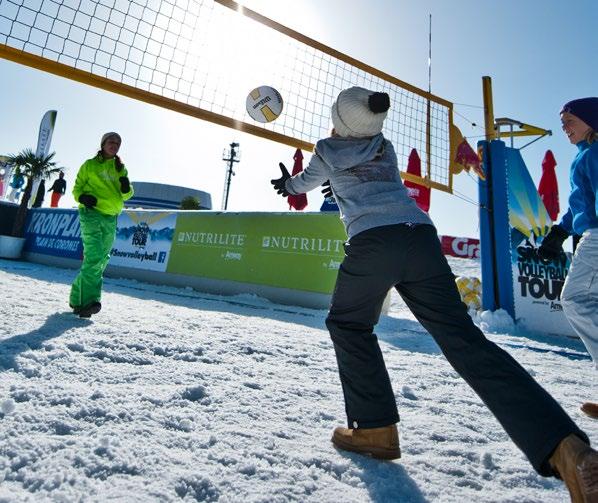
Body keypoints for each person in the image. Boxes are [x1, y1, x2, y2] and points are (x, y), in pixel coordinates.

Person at [271, 86, 598, 501]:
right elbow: (362, 173)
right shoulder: (383, 147)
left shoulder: (326, 150)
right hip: (420, 237)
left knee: (348, 323)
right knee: (465, 341)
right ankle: (569, 450)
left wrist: (288, 183)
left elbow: (304, 182)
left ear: (337, 118)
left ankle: (374, 428)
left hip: (374, 241)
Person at [538, 97, 598, 421]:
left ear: (591, 121)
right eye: (562, 124)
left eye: (570, 122)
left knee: (575, 300)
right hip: (589, 232)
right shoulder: (584, 156)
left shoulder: (595, 154)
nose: (565, 129)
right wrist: (557, 234)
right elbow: (578, 205)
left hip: (597, 236)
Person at [70, 132, 133, 318]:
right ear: (103, 144)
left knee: (102, 259)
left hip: (111, 217)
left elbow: (127, 194)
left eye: (118, 143)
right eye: (111, 141)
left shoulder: (121, 168)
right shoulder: (89, 165)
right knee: (94, 256)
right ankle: (89, 302)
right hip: (91, 213)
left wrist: (126, 187)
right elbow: (76, 189)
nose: (114, 145)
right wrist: (82, 197)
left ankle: (76, 298)